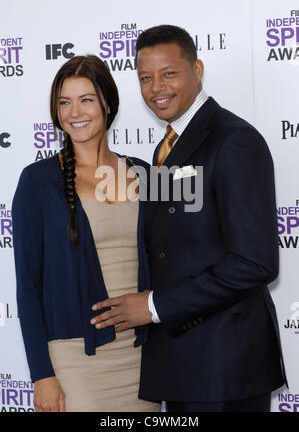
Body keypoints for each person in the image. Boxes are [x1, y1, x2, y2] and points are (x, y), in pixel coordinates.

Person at [89, 25, 287, 412]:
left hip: (225, 369)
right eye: (145, 78)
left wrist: (154, 306)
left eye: (169, 73)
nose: (156, 88)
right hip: (182, 365)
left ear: (197, 69)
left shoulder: (233, 141)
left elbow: (255, 262)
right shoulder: (167, 145)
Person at [12, 54, 160, 413]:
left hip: (143, 356)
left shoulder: (145, 173)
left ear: (107, 103)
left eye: (86, 100)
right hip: (74, 360)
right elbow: (28, 287)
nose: (74, 112)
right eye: (64, 102)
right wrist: (41, 375)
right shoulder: (37, 182)